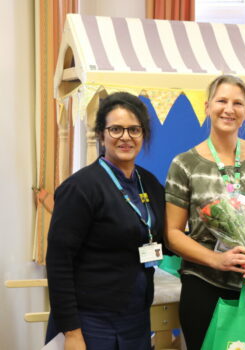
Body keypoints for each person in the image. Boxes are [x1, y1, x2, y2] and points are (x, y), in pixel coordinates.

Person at [164, 74, 245, 350]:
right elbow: (172, 234)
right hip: (205, 285)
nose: (229, 109)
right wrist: (216, 260)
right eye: (221, 101)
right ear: (207, 106)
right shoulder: (184, 164)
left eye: (237, 103)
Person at [46, 92, 165, 349]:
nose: (125, 137)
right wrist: (72, 332)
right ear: (101, 134)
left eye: (134, 129)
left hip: (136, 318)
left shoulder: (151, 184)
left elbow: (163, 236)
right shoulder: (80, 188)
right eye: (116, 129)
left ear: (143, 134)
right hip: (91, 322)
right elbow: (58, 263)